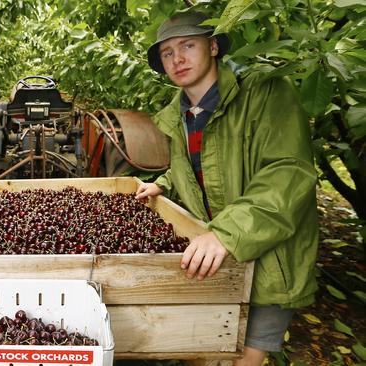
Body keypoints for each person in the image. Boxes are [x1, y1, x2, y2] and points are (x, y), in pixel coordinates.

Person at [136, 10, 318, 366]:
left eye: (188, 45)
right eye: (168, 53)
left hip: (267, 257)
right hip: (214, 258)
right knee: (207, 349)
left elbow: (288, 172)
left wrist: (226, 233)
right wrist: (164, 184)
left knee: (243, 358)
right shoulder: (179, 116)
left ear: (214, 46)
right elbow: (200, 167)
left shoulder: (266, 94)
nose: (178, 59)